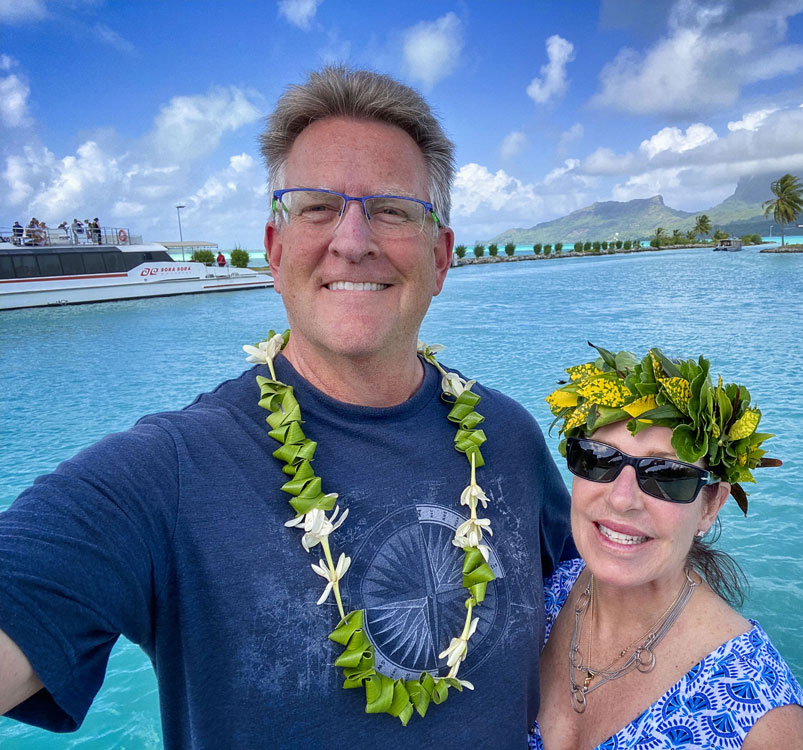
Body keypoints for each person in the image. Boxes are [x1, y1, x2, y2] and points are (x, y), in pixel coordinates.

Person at [0, 66, 574, 748]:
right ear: (275, 253)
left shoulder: (508, 438)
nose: (353, 240)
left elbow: (601, 616)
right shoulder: (166, 475)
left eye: (392, 208)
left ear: (441, 257)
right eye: (316, 207)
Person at [532, 346, 803, 749]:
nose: (621, 498)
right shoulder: (541, 595)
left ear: (710, 507)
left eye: (667, 474)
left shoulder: (764, 722)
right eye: (599, 458)